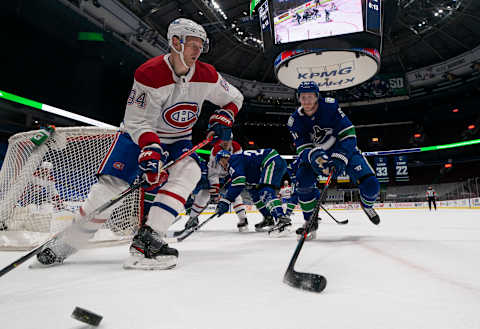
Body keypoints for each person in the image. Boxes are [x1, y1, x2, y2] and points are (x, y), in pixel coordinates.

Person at [33, 18, 244, 270]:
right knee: (110, 190)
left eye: (201, 45)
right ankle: (68, 241)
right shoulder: (149, 73)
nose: (198, 51)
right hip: (137, 137)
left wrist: (226, 115)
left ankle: (148, 239)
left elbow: (235, 97)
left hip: (178, 141)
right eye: (192, 44)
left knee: (190, 171)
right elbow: (136, 122)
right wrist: (151, 148)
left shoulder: (207, 75)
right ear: (175, 42)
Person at [287, 81, 380, 240]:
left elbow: (349, 135)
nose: (307, 101)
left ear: (317, 96)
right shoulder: (294, 120)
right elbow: (302, 148)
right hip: (318, 156)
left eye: (310, 96)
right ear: (299, 98)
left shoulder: (330, 108)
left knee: (371, 185)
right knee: (303, 181)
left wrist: (340, 157)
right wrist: (315, 157)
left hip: (344, 152)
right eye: (303, 97)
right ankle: (310, 222)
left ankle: (367, 204)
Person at [214, 148, 291, 235]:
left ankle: (281, 218)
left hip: (271, 161)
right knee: (253, 192)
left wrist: (226, 200)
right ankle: (268, 218)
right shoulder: (237, 162)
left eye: (219, 162)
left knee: (265, 191)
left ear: (223, 158)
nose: (220, 165)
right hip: (265, 165)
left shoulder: (233, 160)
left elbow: (239, 182)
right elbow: (235, 181)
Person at [207, 138, 249, 231]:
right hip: (218, 173)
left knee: (235, 194)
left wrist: (233, 176)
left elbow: (239, 165)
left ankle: (243, 219)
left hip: (230, 173)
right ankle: (193, 217)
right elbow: (213, 174)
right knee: (204, 190)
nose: (226, 142)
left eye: (228, 140)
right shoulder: (215, 151)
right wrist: (215, 191)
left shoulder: (237, 148)